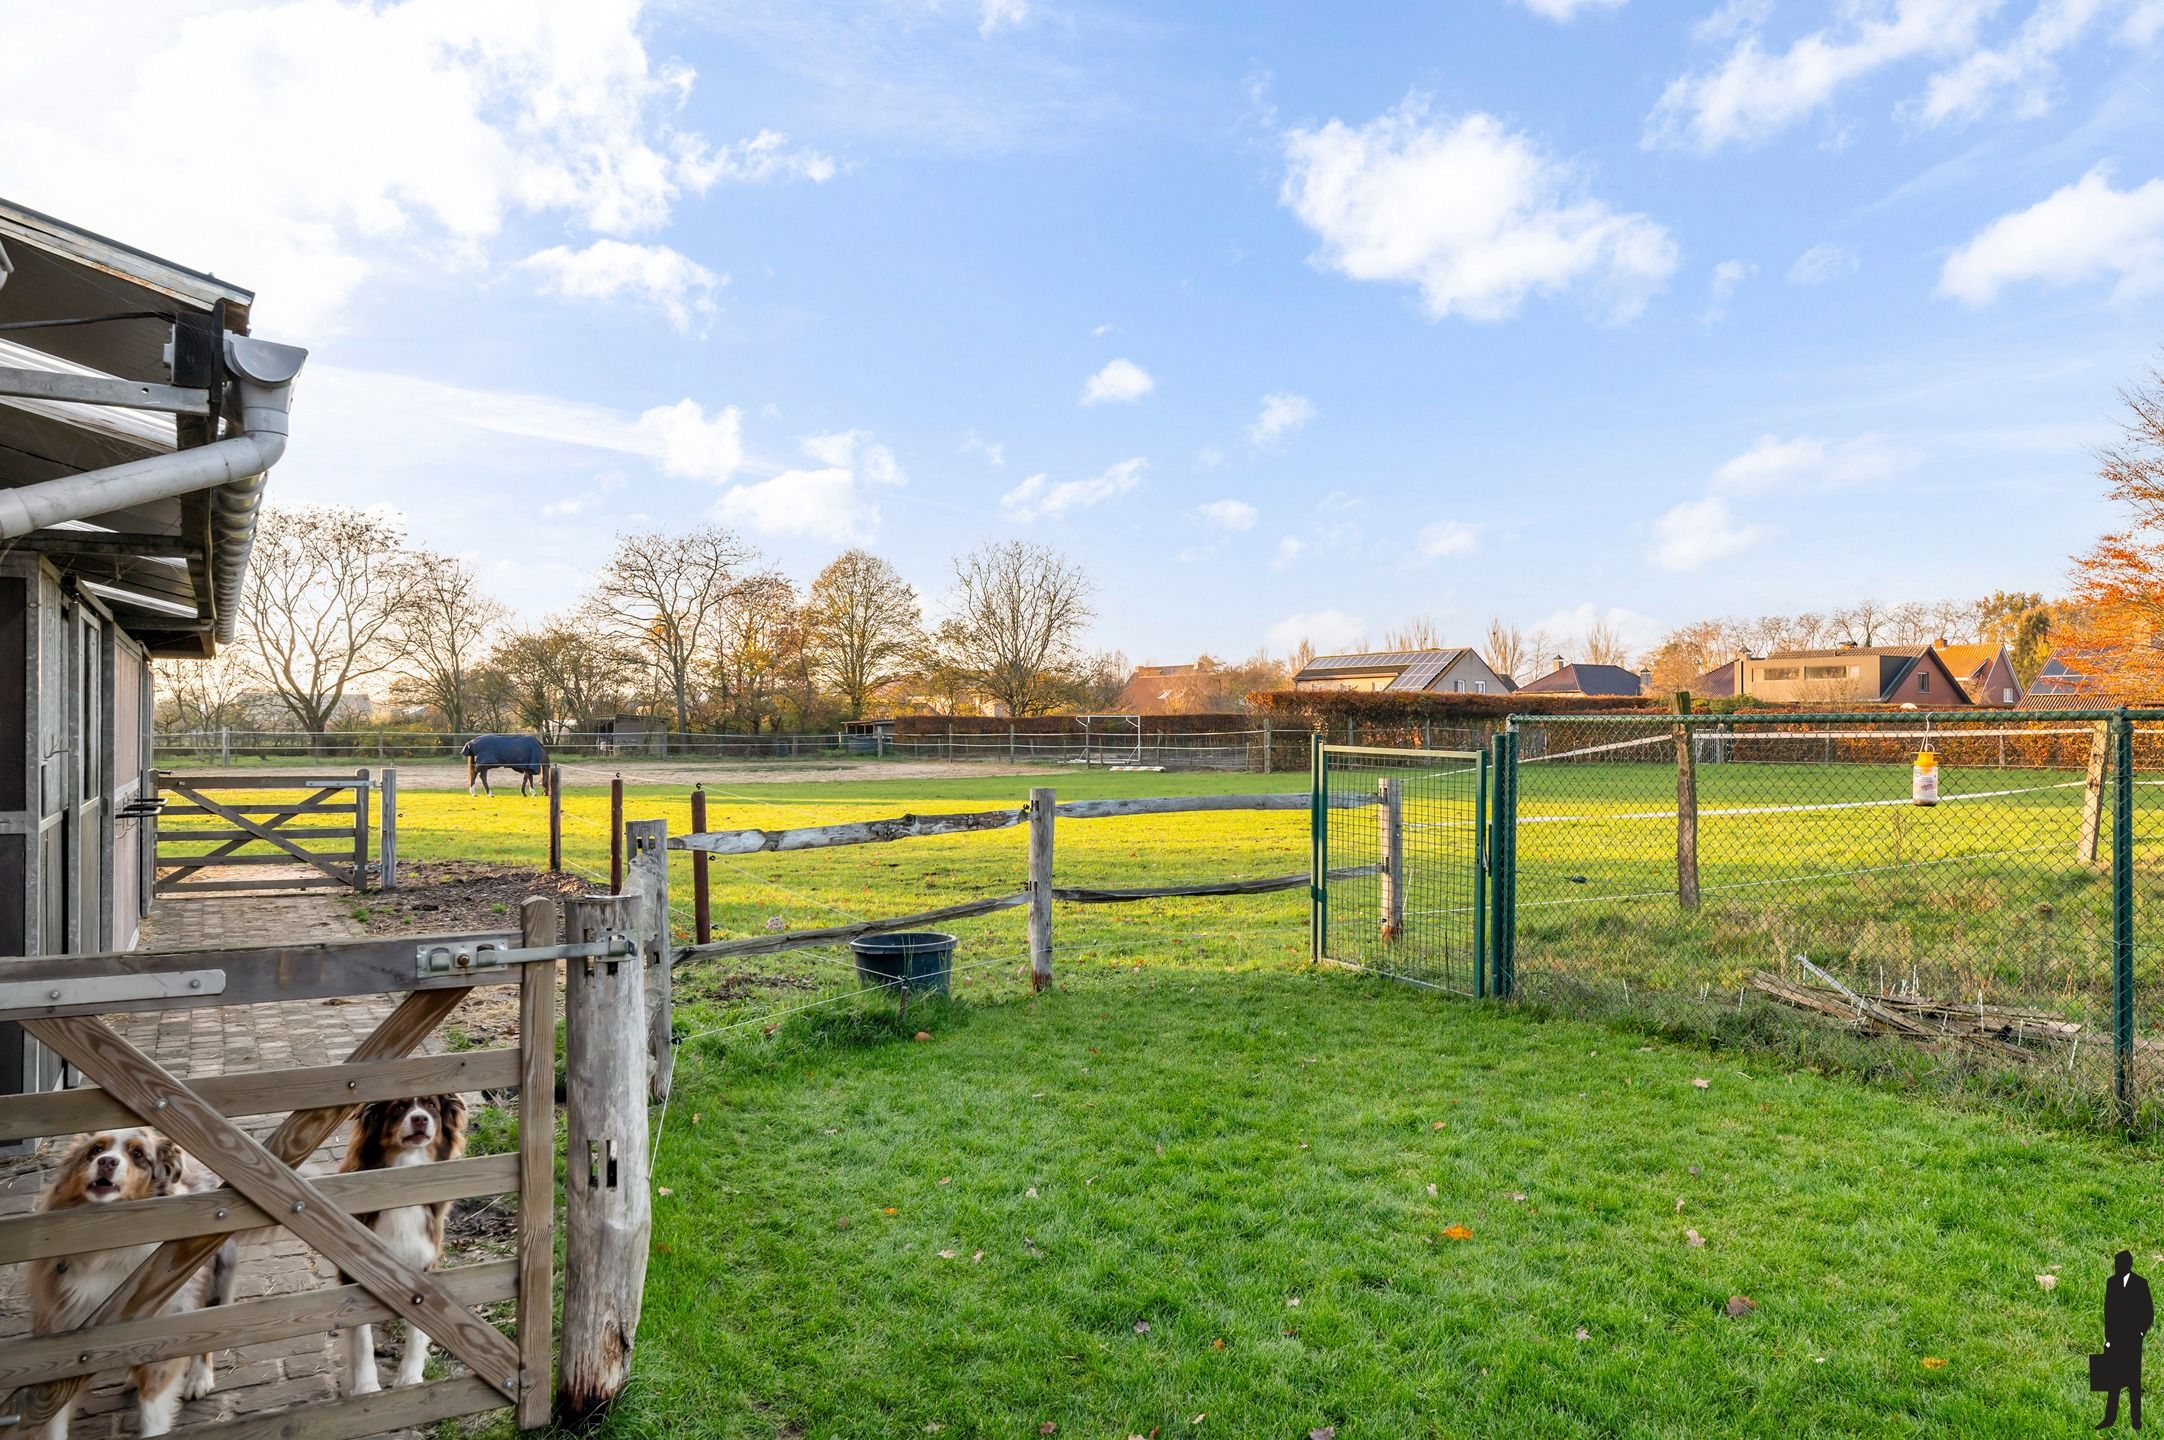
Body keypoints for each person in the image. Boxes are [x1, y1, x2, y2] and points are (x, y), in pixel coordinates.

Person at [2102, 1250, 2153, 1430]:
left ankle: (2136, 1421)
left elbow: (2148, 1313)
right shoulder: (2112, 1282)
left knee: (2133, 1381)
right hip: (2116, 1339)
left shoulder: (2140, 1284)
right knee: (2113, 1381)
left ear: (2128, 1265)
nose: (2118, 1267)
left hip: (2132, 1340)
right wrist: (2108, 1338)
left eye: (2121, 1263)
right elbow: (2109, 1313)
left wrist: (2140, 1333)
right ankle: (2109, 1418)